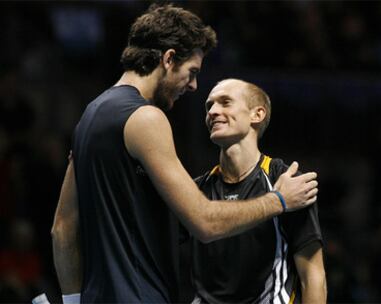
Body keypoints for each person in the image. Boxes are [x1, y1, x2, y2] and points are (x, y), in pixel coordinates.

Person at [50, 4, 319, 304]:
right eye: (191, 72)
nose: (192, 86)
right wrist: (279, 200)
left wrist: (73, 301)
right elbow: (205, 222)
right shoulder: (146, 118)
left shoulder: (88, 117)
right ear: (168, 59)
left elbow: (62, 229)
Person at [189, 79, 326, 303]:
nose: (213, 112)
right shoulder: (195, 190)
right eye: (209, 106)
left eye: (225, 102)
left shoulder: (289, 181)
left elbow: (313, 276)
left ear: (257, 114)